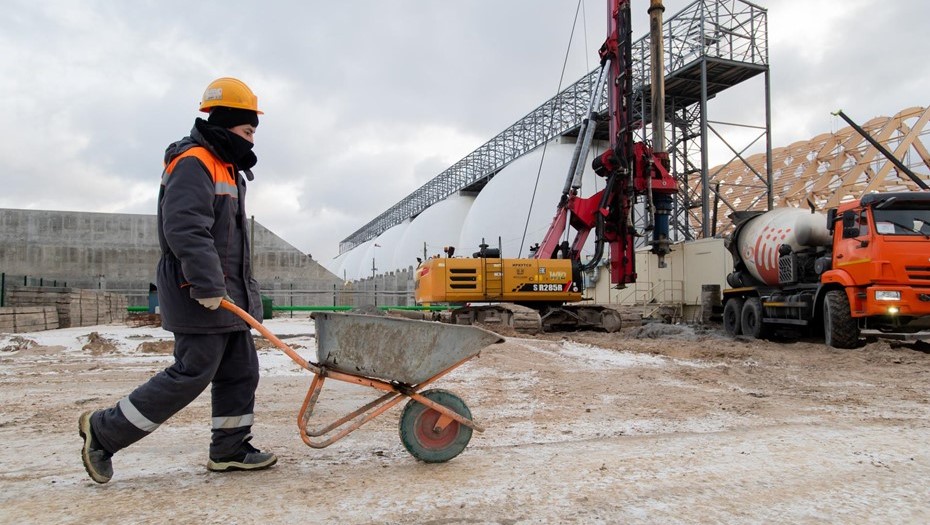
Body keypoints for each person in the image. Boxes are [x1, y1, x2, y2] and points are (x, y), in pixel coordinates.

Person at [79, 77, 275, 484]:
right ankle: (103, 431)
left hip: (227, 293)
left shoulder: (226, 167)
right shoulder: (195, 162)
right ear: (225, 123)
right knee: (192, 372)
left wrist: (240, 295)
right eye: (248, 129)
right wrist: (206, 285)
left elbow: (228, 243)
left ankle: (230, 448)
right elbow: (185, 228)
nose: (252, 139)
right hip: (199, 291)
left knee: (241, 370)